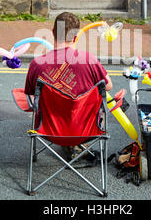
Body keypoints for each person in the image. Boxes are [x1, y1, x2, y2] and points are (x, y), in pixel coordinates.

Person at [24, 12, 113, 159]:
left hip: (49, 130)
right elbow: (108, 86)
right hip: (86, 130)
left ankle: (67, 145)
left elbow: (31, 93)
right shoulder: (89, 60)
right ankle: (76, 145)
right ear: (76, 37)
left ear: (53, 32)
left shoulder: (37, 64)